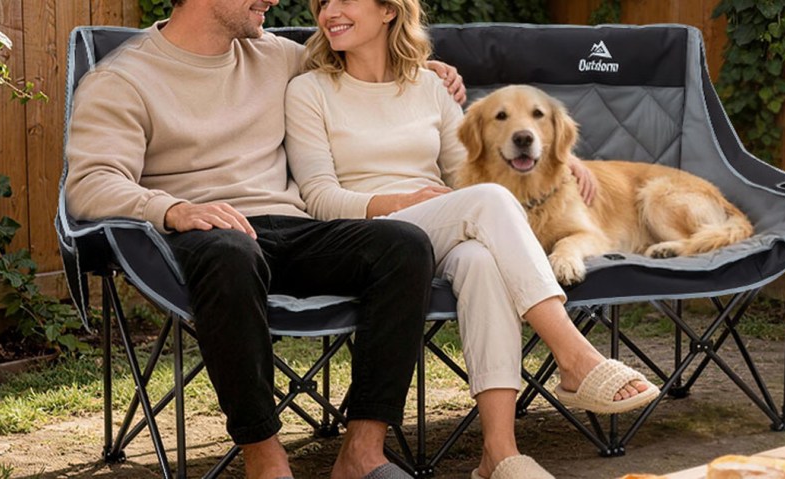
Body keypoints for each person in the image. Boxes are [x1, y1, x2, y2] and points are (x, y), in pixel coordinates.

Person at [64, 1, 466, 478]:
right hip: (204, 235)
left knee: (404, 244)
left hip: (292, 227)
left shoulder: (277, 56)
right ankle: (266, 460)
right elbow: (89, 184)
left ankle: (363, 453)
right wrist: (172, 208)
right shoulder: (123, 79)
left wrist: (423, 73)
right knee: (231, 251)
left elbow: (360, 60)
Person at [283, 0, 661, 478]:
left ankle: (498, 454)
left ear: (388, 11)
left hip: (436, 225)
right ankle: (575, 357)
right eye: (322, 3)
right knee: (487, 202)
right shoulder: (309, 90)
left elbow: (462, 172)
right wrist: (398, 203)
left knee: (482, 259)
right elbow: (318, 197)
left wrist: (563, 161)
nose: (329, 11)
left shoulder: (430, 87)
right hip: (363, 235)